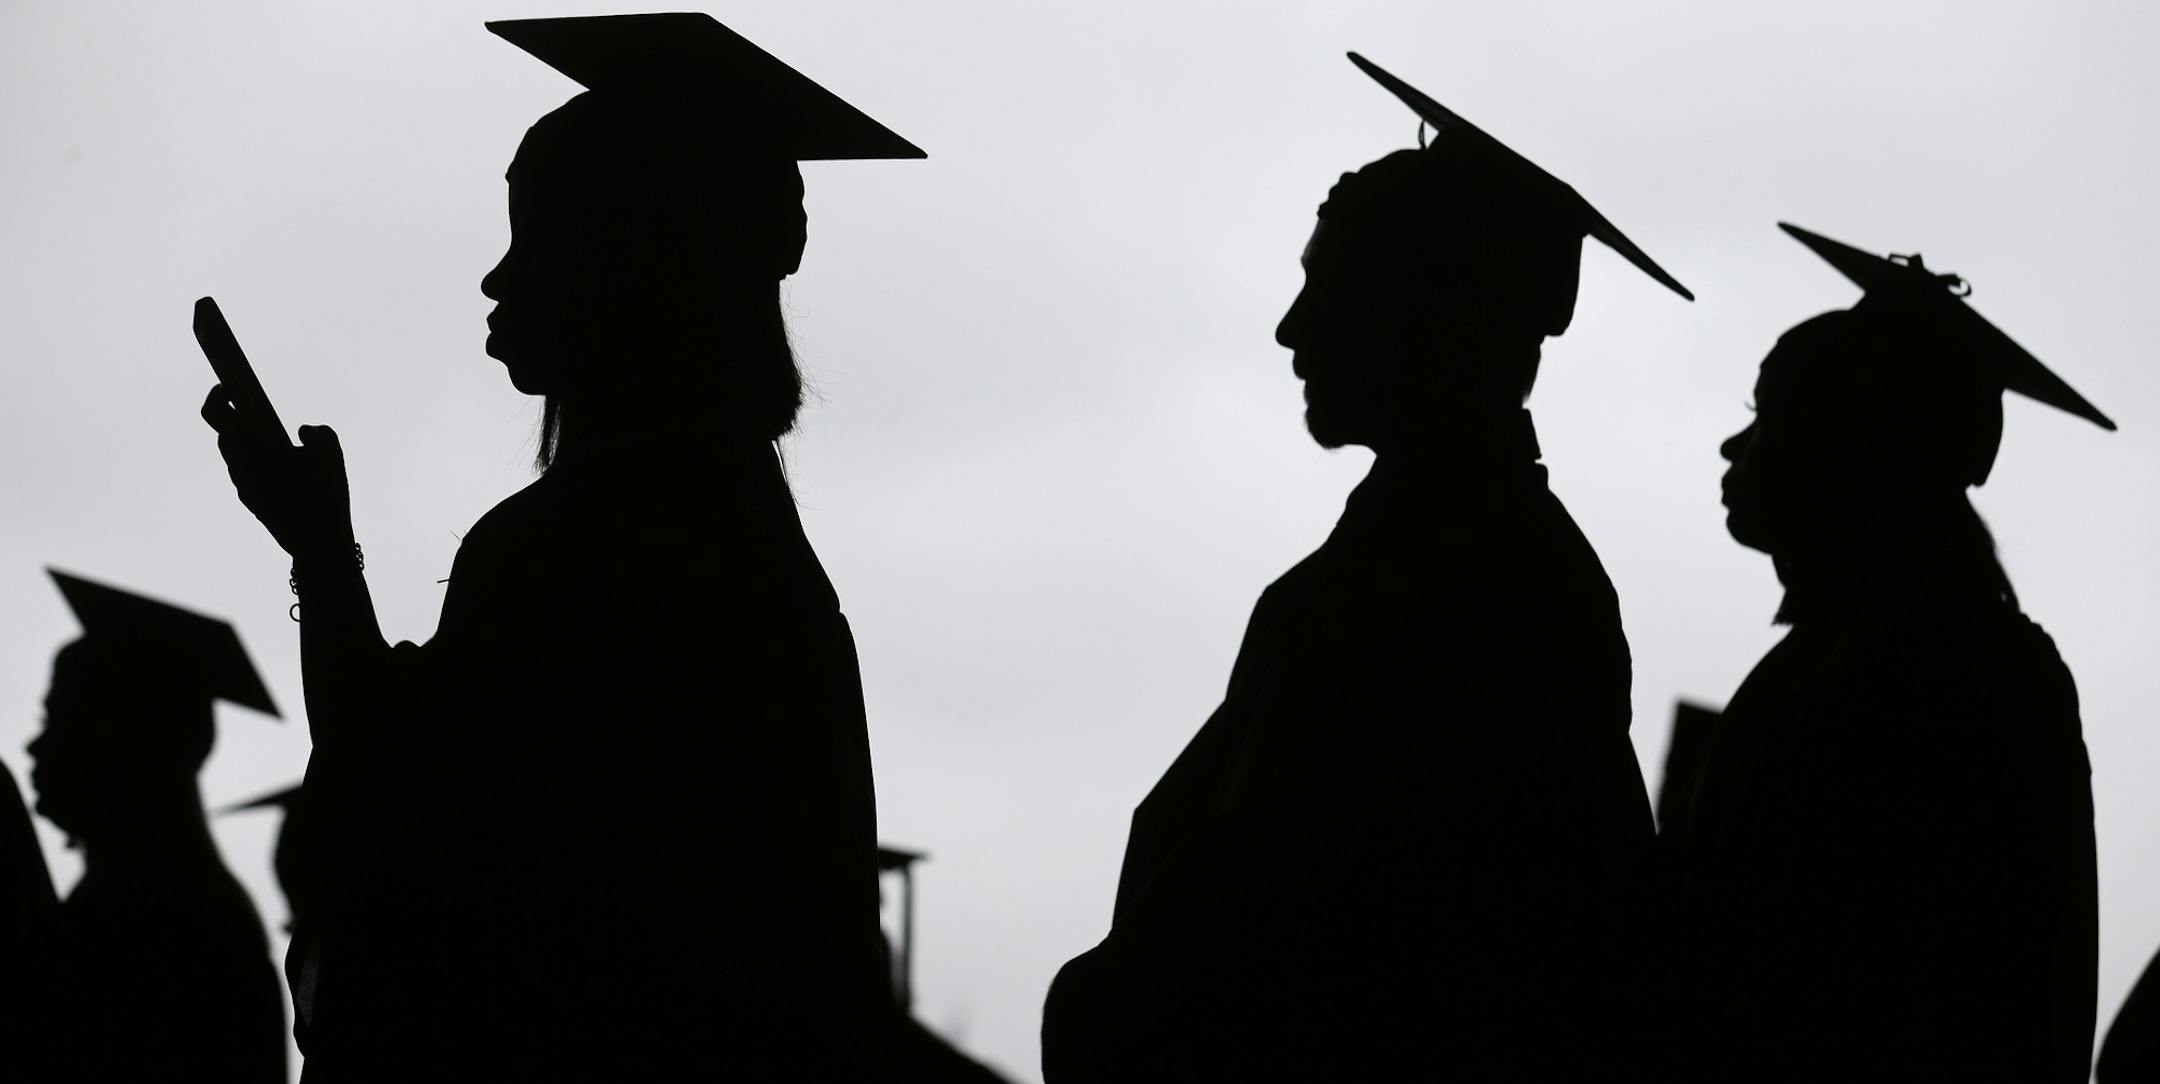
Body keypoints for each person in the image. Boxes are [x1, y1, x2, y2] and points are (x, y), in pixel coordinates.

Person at [200, 14, 921, 1080]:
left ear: (639, 263)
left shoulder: (587, 552)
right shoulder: (735, 540)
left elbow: (395, 841)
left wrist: (323, 559)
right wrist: (321, 550)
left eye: (540, 235)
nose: (499, 280)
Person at [1042, 52, 1691, 1082]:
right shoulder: (1450, 556)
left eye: (1332, 286)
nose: (1293, 329)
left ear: (1431, 312)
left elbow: (1305, 912)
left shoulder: (1469, 579)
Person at [1669, 224, 2106, 1082]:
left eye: (1770, 414)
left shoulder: (1949, 688)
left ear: (1856, 448)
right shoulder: (1903, 662)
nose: (1734, 447)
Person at [27, 570, 288, 1084]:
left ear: (133, 744)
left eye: (63, 718)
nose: (36, 747)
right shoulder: (185, 903)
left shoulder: (152, 921)